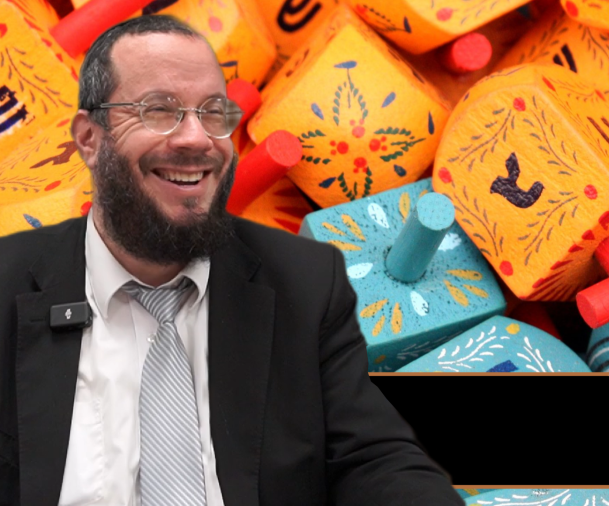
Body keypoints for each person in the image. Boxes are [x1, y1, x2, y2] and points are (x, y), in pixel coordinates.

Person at [0, 15, 463, 506]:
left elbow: (370, 455)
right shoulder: (12, 283)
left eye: (214, 113)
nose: (195, 138)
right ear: (89, 138)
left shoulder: (306, 284)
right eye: (157, 111)